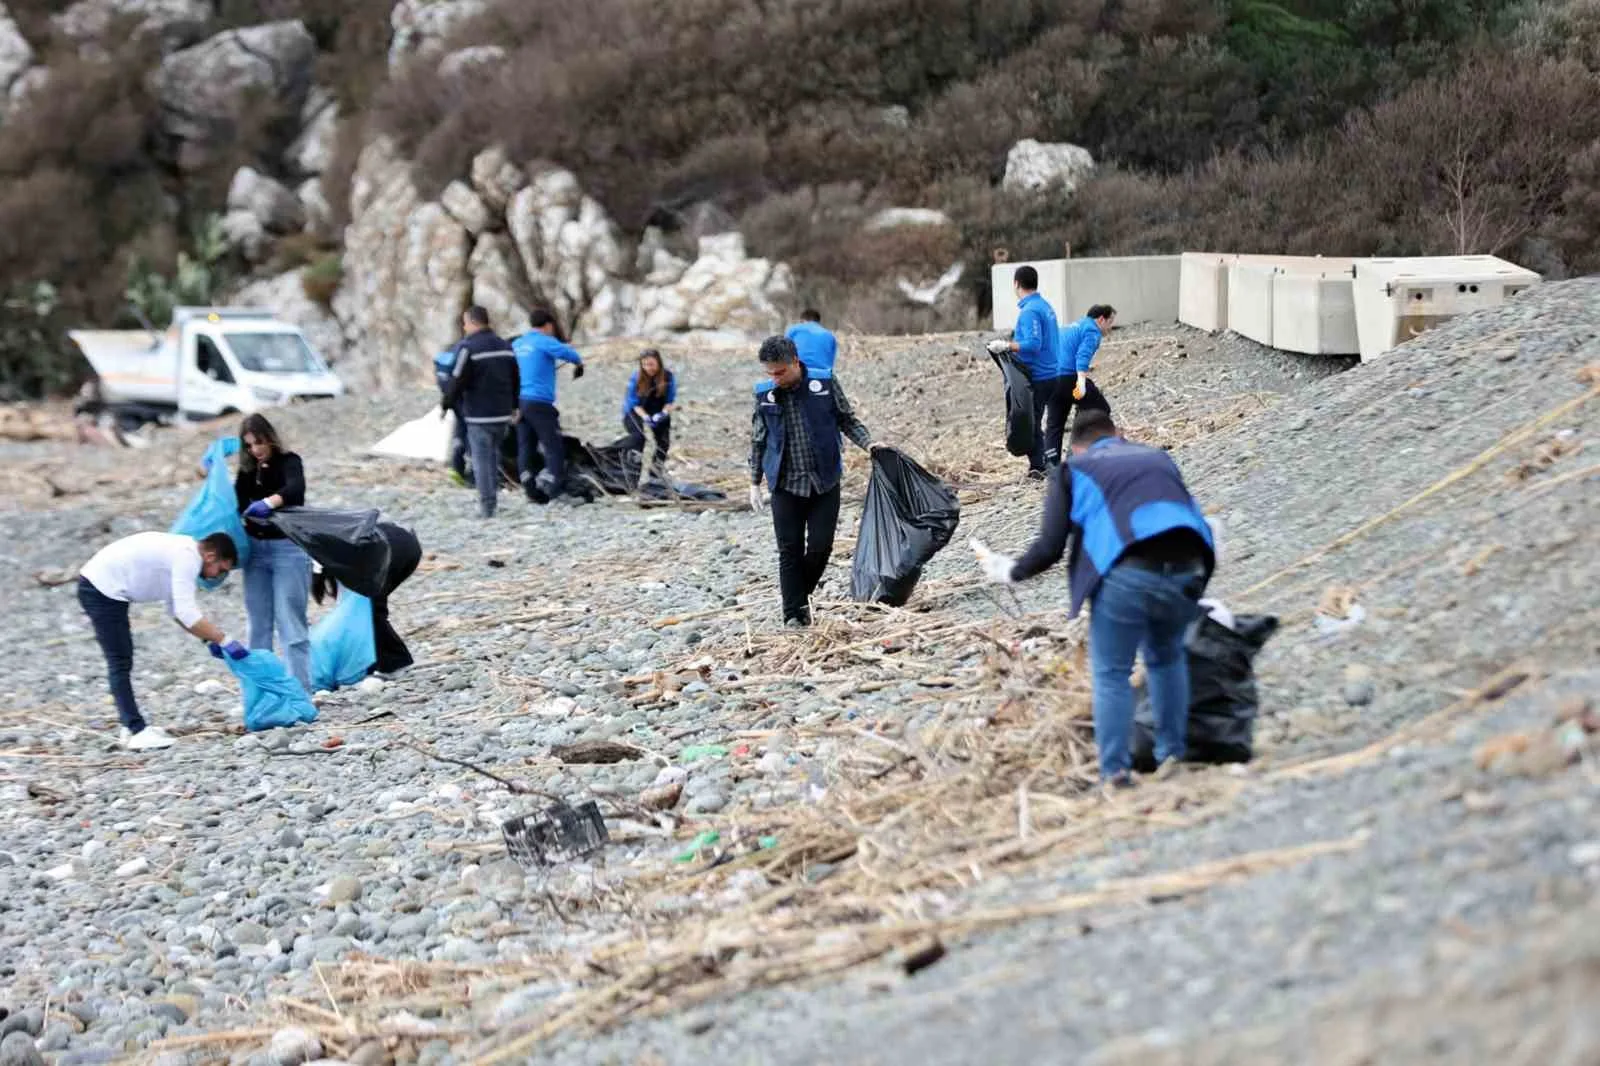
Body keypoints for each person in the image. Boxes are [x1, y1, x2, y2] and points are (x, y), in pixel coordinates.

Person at [970, 411, 1214, 788]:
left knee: (1113, 673)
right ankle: (1173, 753)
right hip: (1189, 564)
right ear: (1118, 434)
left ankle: (1115, 772)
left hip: (1126, 572)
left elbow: (1051, 547)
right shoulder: (1156, 456)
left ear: (1077, 445)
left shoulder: (1072, 469)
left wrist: (1010, 571)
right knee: (1167, 659)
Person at [748, 335, 885, 627]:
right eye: (769, 372)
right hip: (785, 484)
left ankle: (799, 597)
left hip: (824, 480)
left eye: (780, 372)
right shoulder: (764, 395)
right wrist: (753, 481)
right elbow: (758, 440)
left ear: (795, 362)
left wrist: (869, 445)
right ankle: (793, 615)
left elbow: (846, 419)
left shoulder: (823, 383)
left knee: (821, 547)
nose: (775, 378)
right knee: (789, 550)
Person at [78, 531, 243, 750]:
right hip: (101, 588)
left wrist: (208, 640)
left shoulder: (184, 552)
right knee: (119, 660)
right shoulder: (188, 557)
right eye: (220, 570)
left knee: (121, 659)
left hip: (103, 585)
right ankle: (137, 731)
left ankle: (129, 726)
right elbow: (187, 613)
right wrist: (225, 640)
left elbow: (175, 609)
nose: (216, 577)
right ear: (211, 556)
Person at [233, 413, 314, 694]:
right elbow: (236, 501)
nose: (256, 450)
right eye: (249, 445)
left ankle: (301, 690)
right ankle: (262, 693)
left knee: (291, 622)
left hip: (287, 548)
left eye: (259, 443)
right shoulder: (247, 472)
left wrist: (269, 502)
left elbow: (295, 489)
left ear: (270, 438)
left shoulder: (289, 461)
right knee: (259, 625)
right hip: (255, 551)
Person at [311, 521, 422, 676]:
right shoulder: (322, 548)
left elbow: (343, 599)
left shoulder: (323, 555)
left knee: (370, 609)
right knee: (369, 608)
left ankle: (395, 662)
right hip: (404, 545)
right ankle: (381, 662)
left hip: (391, 550)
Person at [442, 305, 521, 518]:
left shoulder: (468, 348)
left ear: (473, 322)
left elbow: (457, 379)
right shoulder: (504, 345)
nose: (464, 328)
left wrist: (447, 403)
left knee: (481, 460)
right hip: (502, 413)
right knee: (493, 457)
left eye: (465, 323)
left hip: (479, 415)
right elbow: (516, 378)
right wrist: (515, 406)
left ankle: (487, 506)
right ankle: (492, 499)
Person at [512, 308, 584, 501]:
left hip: (520, 402)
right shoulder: (544, 341)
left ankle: (529, 488)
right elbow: (571, 355)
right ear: (549, 325)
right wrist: (579, 363)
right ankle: (556, 489)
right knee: (554, 445)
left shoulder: (519, 343)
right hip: (540, 402)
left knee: (525, 446)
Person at [997, 266, 1062, 478]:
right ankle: (1042, 464)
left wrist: (1007, 346)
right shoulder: (1045, 306)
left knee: (1031, 423)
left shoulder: (1030, 311)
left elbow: (1033, 344)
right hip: (1052, 372)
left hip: (1040, 375)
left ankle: (1039, 468)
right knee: (1035, 420)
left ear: (1016, 284)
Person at [1046, 304, 1116, 465]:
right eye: (1110, 322)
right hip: (1068, 376)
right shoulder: (1092, 330)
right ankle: (1077, 453)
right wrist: (1081, 382)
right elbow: (1082, 356)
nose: (1110, 327)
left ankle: (1050, 463)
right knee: (1100, 407)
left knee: (1054, 423)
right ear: (1101, 319)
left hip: (1050, 378)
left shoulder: (1072, 327)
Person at [622, 348, 676, 478]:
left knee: (663, 442)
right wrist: (646, 417)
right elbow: (634, 404)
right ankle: (632, 475)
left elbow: (670, 401)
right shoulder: (636, 378)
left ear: (659, 363)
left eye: (651, 364)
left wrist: (662, 414)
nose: (648, 368)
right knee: (638, 438)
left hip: (658, 409)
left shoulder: (668, 377)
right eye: (644, 364)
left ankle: (655, 476)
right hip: (635, 411)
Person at [433, 348, 469, 484]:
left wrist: (445, 404)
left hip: (452, 399)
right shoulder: (465, 351)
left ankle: (457, 468)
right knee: (470, 432)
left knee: (459, 430)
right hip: (466, 399)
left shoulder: (448, 352)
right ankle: (469, 471)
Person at [784, 308, 838, 375]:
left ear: (801, 320)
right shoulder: (829, 335)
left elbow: (783, 352)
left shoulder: (793, 330)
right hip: (823, 375)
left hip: (798, 373)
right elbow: (830, 363)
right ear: (818, 322)